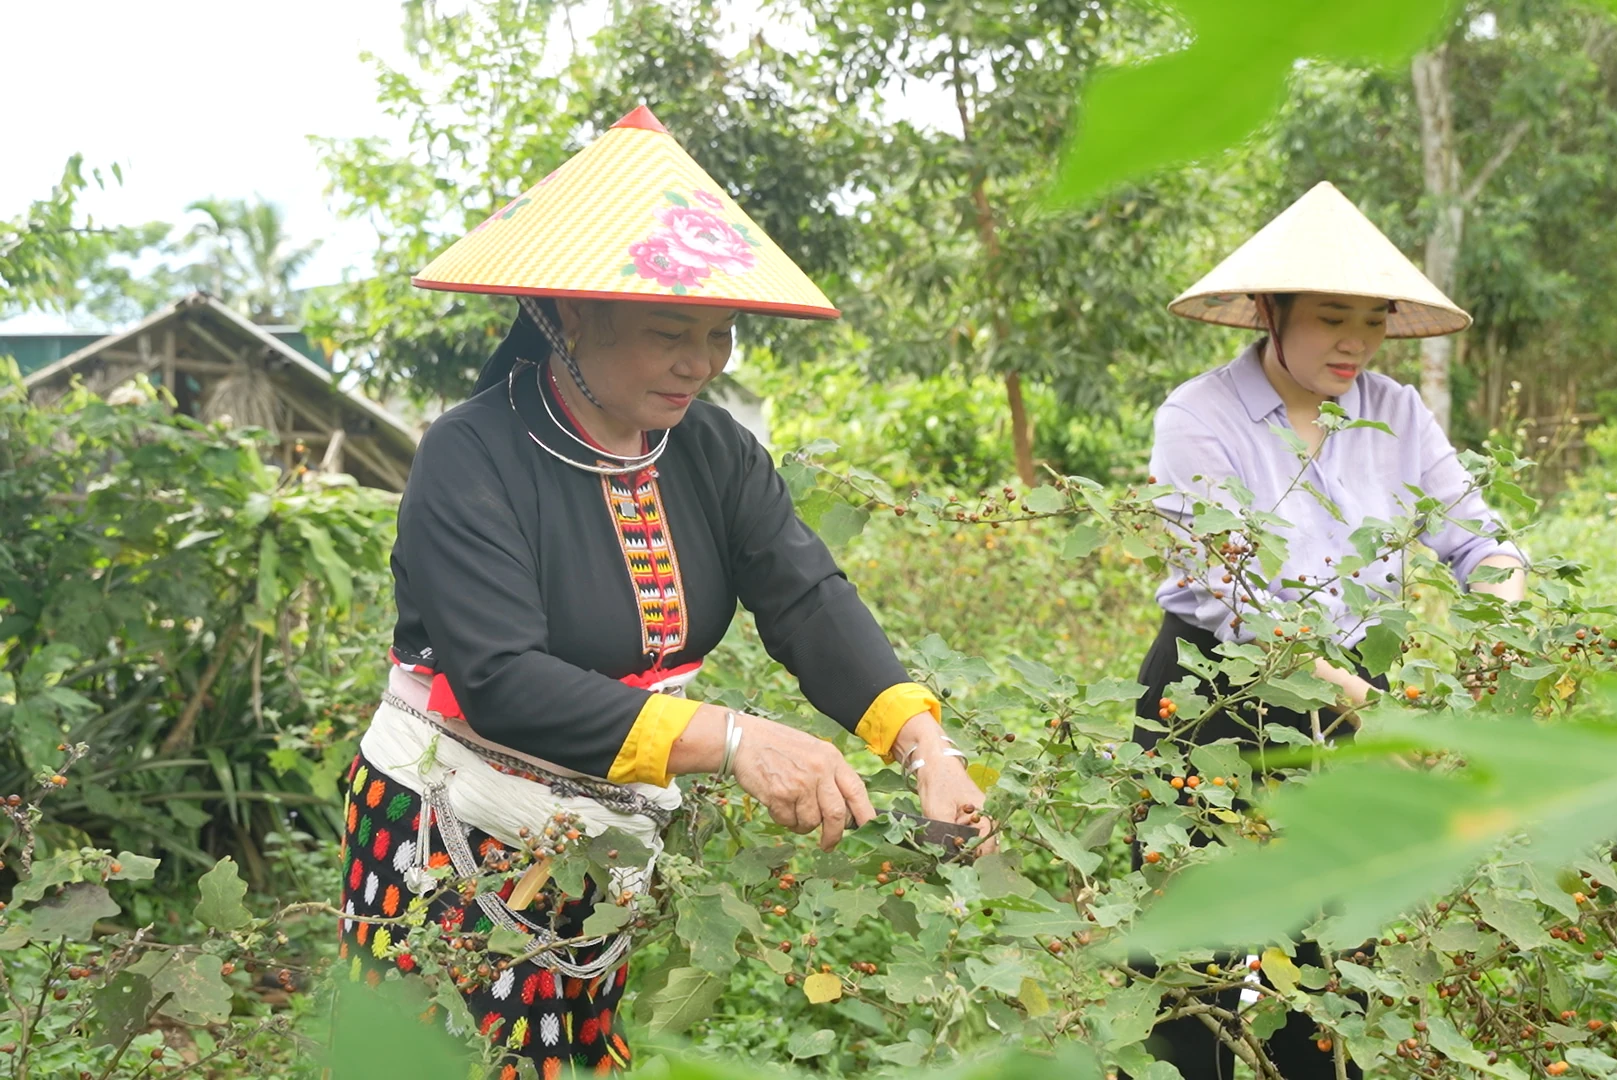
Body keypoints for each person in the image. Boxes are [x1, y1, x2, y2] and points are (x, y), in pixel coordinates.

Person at [336, 105, 987, 1077]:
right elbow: (505, 677)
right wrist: (732, 740)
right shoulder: (469, 456)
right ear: (567, 318)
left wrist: (926, 746)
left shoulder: (713, 450)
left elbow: (806, 597)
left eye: (718, 331)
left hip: (601, 846)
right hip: (445, 836)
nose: (702, 360)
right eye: (667, 331)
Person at [1132, 181, 1527, 1080]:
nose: (1354, 342)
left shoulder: (1393, 410)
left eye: (1373, 320)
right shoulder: (1198, 416)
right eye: (1330, 318)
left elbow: (1476, 536)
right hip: (1212, 696)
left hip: (1356, 698)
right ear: (1270, 312)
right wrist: (1359, 704)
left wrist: (1498, 626)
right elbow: (1221, 585)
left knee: (1331, 962)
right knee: (1189, 961)